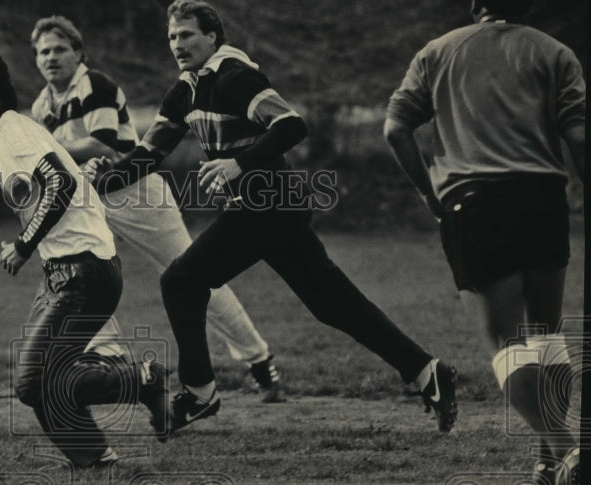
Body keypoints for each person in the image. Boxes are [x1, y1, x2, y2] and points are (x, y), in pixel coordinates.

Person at [91, 0, 458, 437]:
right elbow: (149, 154)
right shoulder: (185, 90)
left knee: (181, 280)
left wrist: (238, 164)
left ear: (212, 36)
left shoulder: (235, 77)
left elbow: (290, 124)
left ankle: (199, 391)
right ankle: (426, 371)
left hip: (267, 205)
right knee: (332, 303)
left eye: (186, 34)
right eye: (172, 36)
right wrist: (103, 179)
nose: (177, 44)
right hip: (267, 208)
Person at [0, 44, 169, 468]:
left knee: (34, 381)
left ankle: (142, 380)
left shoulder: (13, 133)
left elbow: (60, 183)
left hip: (84, 270)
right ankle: (96, 462)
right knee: (41, 382)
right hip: (66, 270)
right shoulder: (0, 137)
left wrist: (23, 246)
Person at [28, 15, 282, 401]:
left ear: (78, 52)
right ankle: (108, 356)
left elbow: (101, 144)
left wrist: (42, 148)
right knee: (76, 275)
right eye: (43, 51)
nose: (51, 57)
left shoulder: (93, 84)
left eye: (60, 48)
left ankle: (260, 362)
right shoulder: (42, 106)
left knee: (193, 274)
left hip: (135, 190)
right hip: (85, 199)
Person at [384, 0, 584, 482]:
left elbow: (395, 129)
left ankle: (570, 452)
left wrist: (429, 192)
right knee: (545, 337)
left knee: (506, 342)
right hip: (543, 198)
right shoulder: (555, 51)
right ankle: (547, 460)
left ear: (476, 4)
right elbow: (578, 135)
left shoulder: (439, 51)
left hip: (474, 204)